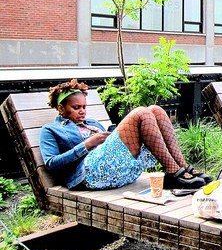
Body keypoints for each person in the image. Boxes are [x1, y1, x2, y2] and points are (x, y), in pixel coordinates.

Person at [40, 79, 210, 190]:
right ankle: (173, 173)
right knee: (141, 112)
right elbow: (51, 163)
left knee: (155, 110)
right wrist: (88, 144)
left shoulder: (92, 123)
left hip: (120, 169)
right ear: (61, 108)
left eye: (84, 107)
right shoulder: (50, 130)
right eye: (76, 108)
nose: (82, 111)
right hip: (90, 174)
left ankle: (182, 168)